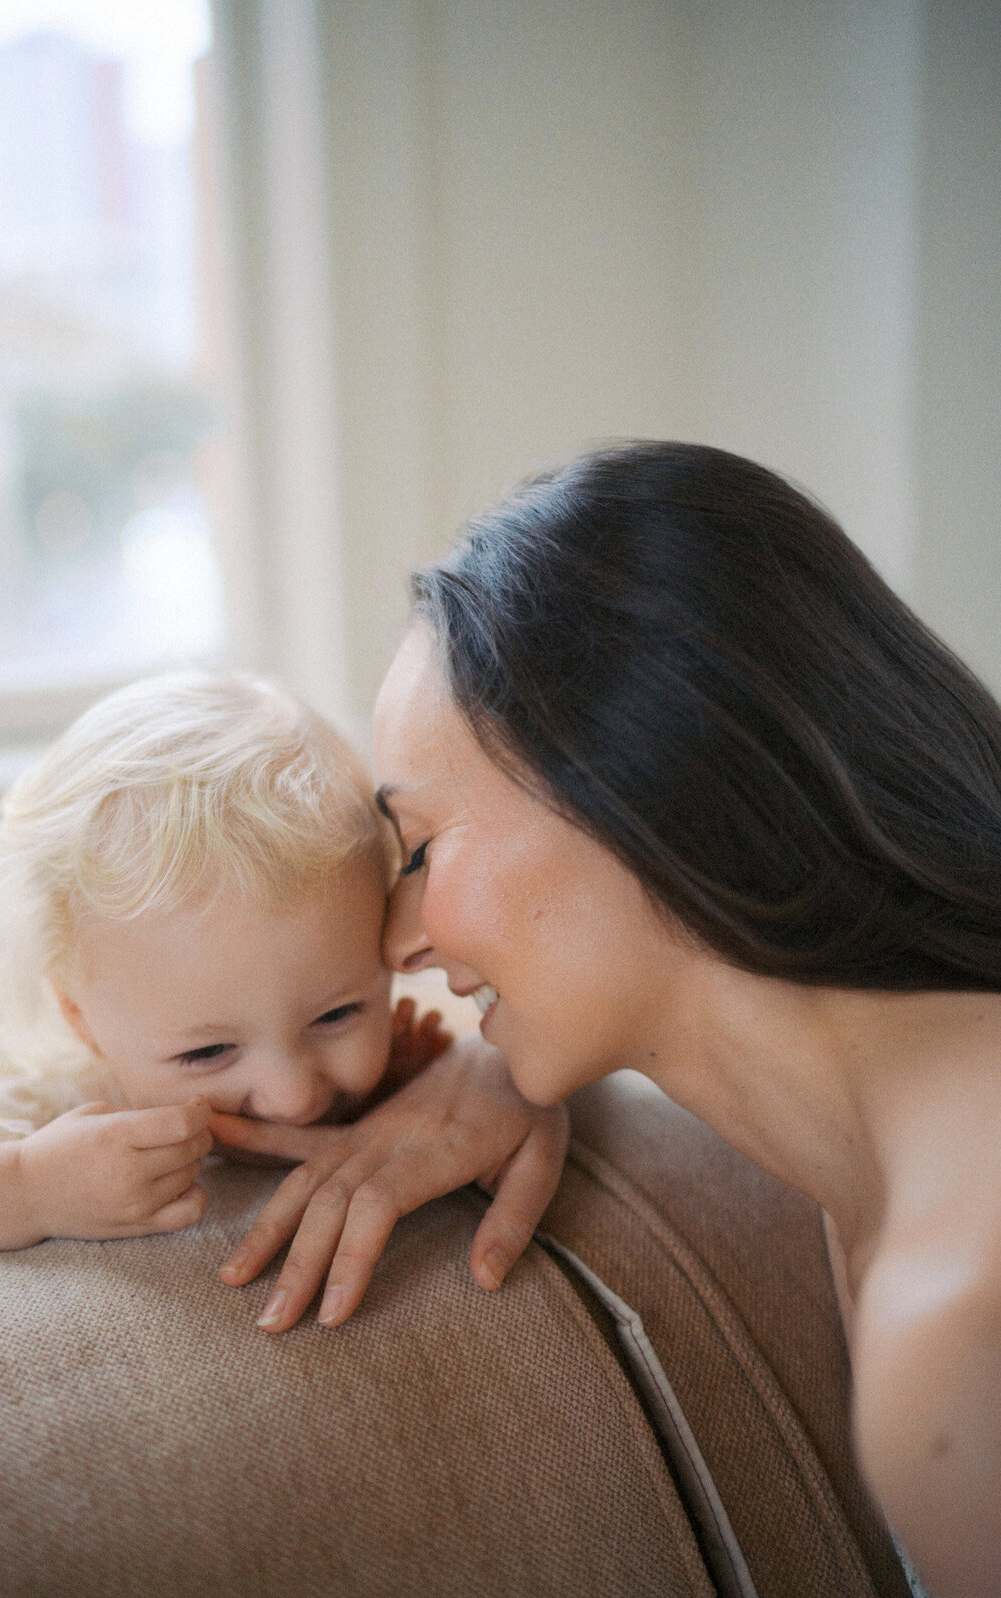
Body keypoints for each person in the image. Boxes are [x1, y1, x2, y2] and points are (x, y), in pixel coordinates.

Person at [217, 443, 1001, 1598]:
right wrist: (506, 1062)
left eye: (423, 847)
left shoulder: (960, 1322)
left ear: (639, 784)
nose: (400, 940)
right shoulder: (878, 1179)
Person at [0, 671, 463, 1281]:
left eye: (337, 1015)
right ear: (80, 1019)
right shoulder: (55, 1119)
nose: (291, 1095)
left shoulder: (396, 1070)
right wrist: (21, 1189)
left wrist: (420, 1087)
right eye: (206, 1052)